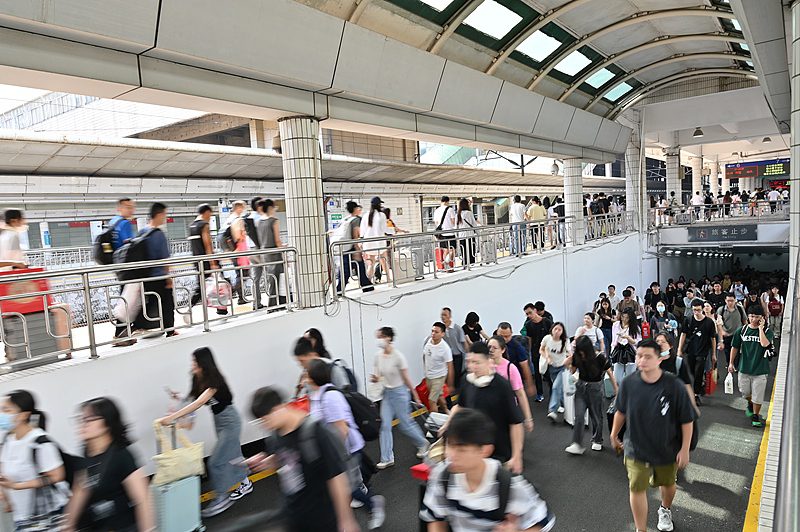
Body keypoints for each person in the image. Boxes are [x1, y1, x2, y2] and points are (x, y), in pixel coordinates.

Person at [420, 409, 555, 532]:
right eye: (449, 445)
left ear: (485, 450)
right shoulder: (443, 476)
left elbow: (543, 521)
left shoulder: (509, 486)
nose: (450, 455)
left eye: (461, 450)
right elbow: (435, 517)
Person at [247, 387, 360, 532]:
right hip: (293, 515)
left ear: (278, 409)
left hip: (321, 519)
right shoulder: (275, 436)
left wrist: (346, 520)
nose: (265, 425)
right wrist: (266, 462)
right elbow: (287, 461)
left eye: (265, 419)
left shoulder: (316, 432)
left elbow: (337, 478)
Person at [610, 339, 695, 532]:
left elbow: (686, 420)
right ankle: (640, 529)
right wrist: (614, 434)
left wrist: (684, 449)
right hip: (636, 448)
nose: (642, 360)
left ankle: (665, 509)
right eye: (639, 356)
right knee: (636, 488)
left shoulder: (674, 385)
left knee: (668, 484)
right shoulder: (629, 383)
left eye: (648, 357)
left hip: (667, 448)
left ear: (659, 359)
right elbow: (620, 411)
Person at [157, 347, 251, 517]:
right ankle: (246, 483)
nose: (192, 364)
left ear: (203, 363)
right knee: (231, 454)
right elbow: (193, 398)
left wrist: (173, 417)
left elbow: (199, 403)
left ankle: (221, 498)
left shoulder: (215, 381)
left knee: (215, 462)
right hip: (219, 421)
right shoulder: (197, 377)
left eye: (195, 361)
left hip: (230, 421)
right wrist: (179, 400)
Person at [306, 360, 386, 529]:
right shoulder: (318, 395)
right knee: (342, 488)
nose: (304, 378)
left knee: (347, 488)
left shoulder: (330, 397)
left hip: (346, 450)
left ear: (313, 378)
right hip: (336, 450)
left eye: (307, 374)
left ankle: (373, 504)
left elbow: (342, 429)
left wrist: (336, 456)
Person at [64, 397, 154, 531]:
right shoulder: (86, 454)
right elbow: (80, 492)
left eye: (89, 419)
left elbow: (143, 500)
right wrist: (68, 526)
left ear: (106, 423)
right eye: (81, 419)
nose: (83, 424)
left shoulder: (121, 455)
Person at [441, 342, 524, 473]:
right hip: (473, 449)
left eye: (476, 362)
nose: (471, 366)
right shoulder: (466, 380)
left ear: (488, 361)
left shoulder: (502, 386)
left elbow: (515, 423)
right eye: (469, 362)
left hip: (499, 452)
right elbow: (460, 406)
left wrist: (516, 456)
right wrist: (447, 424)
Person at [0, 390, 68, 530]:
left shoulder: (39, 441)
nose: (2, 414)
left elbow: (57, 476)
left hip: (49, 516)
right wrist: (6, 497)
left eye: (7, 410)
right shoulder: (8, 440)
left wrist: (17, 486)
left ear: (24, 415)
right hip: (22, 517)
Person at [371, 327, 429, 469]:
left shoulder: (398, 357)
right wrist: (375, 379)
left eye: (381, 337)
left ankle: (423, 443)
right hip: (387, 394)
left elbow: (406, 378)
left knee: (405, 424)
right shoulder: (378, 356)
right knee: (385, 424)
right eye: (378, 337)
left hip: (400, 393)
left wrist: (415, 395)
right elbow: (379, 375)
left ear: (389, 338)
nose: (379, 340)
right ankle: (387, 458)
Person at [565, 336, 617, 455]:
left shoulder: (599, 357)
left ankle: (597, 440)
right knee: (579, 416)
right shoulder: (577, 355)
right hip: (580, 387)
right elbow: (573, 371)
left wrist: (616, 389)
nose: (581, 353)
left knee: (596, 416)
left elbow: (609, 372)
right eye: (579, 350)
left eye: (583, 351)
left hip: (595, 388)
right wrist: (569, 363)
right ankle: (577, 443)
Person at [133, 202, 176, 337]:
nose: (165, 217)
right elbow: (164, 258)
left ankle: (136, 325)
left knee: (151, 302)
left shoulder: (142, 232)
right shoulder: (159, 234)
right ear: (159, 214)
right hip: (159, 275)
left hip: (145, 275)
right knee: (167, 303)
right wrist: (168, 277)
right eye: (164, 214)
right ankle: (170, 330)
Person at [728, 306, 774, 428]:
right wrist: (731, 363)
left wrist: (760, 329)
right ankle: (751, 403)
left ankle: (755, 415)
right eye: (752, 316)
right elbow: (735, 347)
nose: (754, 319)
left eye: (757, 317)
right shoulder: (741, 331)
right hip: (744, 368)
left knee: (758, 396)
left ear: (762, 318)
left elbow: (765, 344)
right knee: (745, 393)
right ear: (748, 316)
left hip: (760, 369)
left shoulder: (767, 332)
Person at [487, 336, 534, 433]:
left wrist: (528, 418)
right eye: (489, 347)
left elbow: (520, 394)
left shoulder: (510, 368)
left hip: (506, 412)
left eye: (495, 348)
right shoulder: (484, 366)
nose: (491, 350)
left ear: (503, 350)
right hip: (489, 412)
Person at [108, 199, 139, 344]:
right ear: (120, 208)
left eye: (132, 207)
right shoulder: (124, 223)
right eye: (128, 207)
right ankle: (121, 334)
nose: (131, 210)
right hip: (127, 267)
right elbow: (129, 245)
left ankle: (123, 333)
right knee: (128, 299)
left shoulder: (113, 222)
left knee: (126, 297)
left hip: (118, 266)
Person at [677, 299, 717, 405]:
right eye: (694, 310)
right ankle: (698, 386)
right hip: (691, 350)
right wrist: (679, 349)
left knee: (698, 371)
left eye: (698, 310)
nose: (696, 312)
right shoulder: (688, 320)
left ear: (703, 309)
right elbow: (683, 334)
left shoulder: (709, 322)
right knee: (691, 372)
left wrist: (713, 354)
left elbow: (713, 338)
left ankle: (696, 394)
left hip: (703, 351)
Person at [187, 204, 223, 316]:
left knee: (202, 287)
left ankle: (189, 308)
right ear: (206, 212)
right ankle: (221, 309)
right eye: (210, 214)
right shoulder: (204, 225)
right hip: (207, 261)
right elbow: (208, 245)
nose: (210, 217)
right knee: (220, 284)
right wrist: (213, 263)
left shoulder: (192, 226)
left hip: (197, 261)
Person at [655, 333, 699, 416]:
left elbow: (687, 385)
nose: (659, 344)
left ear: (670, 346)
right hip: (654, 403)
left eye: (663, 342)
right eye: (657, 341)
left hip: (673, 404)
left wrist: (693, 407)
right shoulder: (651, 362)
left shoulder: (678, 362)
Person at [334, 201, 373, 293]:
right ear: (355, 209)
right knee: (357, 268)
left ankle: (365, 286)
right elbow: (355, 236)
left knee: (347, 270)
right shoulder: (356, 220)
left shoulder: (345, 219)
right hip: (351, 248)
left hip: (343, 248)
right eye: (358, 208)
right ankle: (366, 286)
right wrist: (357, 250)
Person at [254, 199, 285, 309]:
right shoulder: (274, 221)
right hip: (274, 253)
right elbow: (277, 240)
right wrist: (283, 249)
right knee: (277, 279)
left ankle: (273, 304)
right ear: (270, 208)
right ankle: (274, 305)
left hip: (264, 253)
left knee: (270, 279)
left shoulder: (259, 222)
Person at [520, 304, 552, 401]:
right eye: (527, 314)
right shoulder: (528, 325)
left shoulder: (547, 322)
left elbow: (552, 336)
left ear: (535, 310)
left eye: (530, 312)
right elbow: (529, 339)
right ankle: (539, 394)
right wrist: (530, 351)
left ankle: (553, 392)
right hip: (535, 351)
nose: (529, 315)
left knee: (548, 373)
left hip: (547, 351)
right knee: (537, 374)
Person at [497, 322, 536, 399]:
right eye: (501, 336)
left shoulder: (517, 347)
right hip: (497, 379)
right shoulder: (493, 344)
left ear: (511, 333)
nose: (504, 339)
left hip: (512, 380)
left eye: (507, 336)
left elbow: (525, 366)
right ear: (497, 333)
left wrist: (529, 384)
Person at [541, 322, 570, 423]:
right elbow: (541, 349)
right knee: (559, 389)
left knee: (555, 387)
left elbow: (570, 354)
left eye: (559, 330)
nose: (557, 331)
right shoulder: (547, 338)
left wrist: (568, 361)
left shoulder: (565, 341)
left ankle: (552, 410)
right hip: (552, 368)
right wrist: (547, 357)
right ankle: (564, 405)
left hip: (563, 367)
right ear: (552, 330)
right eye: (555, 329)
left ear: (562, 332)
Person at [423, 322, 455, 414]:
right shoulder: (428, 341)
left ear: (442, 334)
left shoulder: (445, 348)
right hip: (429, 376)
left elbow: (450, 366)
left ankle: (434, 421)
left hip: (439, 377)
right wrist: (425, 370)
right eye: (432, 331)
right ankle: (447, 410)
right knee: (439, 396)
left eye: (436, 332)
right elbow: (424, 355)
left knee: (432, 400)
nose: (433, 334)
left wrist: (450, 385)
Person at [360, 197, 389, 282]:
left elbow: (362, 231)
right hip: (380, 243)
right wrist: (394, 230)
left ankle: (368, 282)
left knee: (371, 264)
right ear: (379, 205)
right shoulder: (381, 215)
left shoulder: (366, 215)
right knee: (384, 262)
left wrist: (361, 240)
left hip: (369, 244)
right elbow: (385, 229)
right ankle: (389, 280)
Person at [716, 293, 747, 371]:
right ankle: (729, 363)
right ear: (725, 300)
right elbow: (718, 323)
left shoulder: (740, 309)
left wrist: (746, 331)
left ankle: (736, 365)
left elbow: (744, 320)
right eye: (728, 300)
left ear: (735, 300)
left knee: (737, 350)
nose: (730, 302)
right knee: (727, 351)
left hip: (738, 334)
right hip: (727, 334)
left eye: (732, 300)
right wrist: (722, 332)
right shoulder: (721, 310)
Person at [610, 308, 641, 385]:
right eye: (623, 317)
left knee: (630, 378)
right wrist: (612, 351)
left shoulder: (635, 327)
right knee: (617, 378)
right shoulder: (616, 325)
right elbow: (613, 340)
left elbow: (638, 342)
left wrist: (628, 338)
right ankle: (622, 390)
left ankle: (628, 391)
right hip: (618, 350)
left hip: (630, 351)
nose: (624, 319)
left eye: (627, 317)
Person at [440, 308, 468, 387]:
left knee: (457, 375)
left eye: (445, 315)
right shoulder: (441, 329)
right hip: (447, 357)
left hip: (457, 355)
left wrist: (468, 355)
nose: (443, 317)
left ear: (450, 316)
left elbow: (464, 342)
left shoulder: (457, 328)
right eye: (442, 315)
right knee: (447, 375)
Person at [432, 196, 457, 271]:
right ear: (447, 201)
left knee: (445, 250)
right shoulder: (450, 209)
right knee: (452, 250)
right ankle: (447, 263)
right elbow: (453, 222)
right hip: (450, 233)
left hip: (441, 234)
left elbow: (436, 222)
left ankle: (446, 267)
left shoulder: (436, 210)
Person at [456, 198, 479, 266]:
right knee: (471, 250)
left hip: (461, 236)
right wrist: (478, 233)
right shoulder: (469, 213)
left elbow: (456, 227)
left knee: (464, 251)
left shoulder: (458, 214)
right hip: (470, 235)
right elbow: (474, 224)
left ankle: (465, 263)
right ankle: (471, 263)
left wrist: (457, 236)